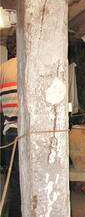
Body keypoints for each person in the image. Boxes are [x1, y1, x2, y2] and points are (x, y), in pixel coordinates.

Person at [0, 57, 20, 217]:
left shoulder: (3, 68)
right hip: (28, 133)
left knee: (14, 180)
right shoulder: (33, 63)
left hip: (11, 131)